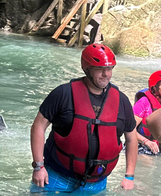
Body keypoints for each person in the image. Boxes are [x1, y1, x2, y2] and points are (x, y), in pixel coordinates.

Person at [30, 43, 137, 193]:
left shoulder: (122, 101)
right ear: (87, 68)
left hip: (97, 183)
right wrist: (39, 166)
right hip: (57, 176)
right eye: (100, 69)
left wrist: (129, 176)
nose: (106, 74)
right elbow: (38, 127)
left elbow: (131, 138)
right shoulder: (63, 94)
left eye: (109, 69)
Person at [134, 70, 161, 155]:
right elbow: (129, 130)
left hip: (156, 149)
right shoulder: (143, 102)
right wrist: (146, 142)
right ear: (154, 88)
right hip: (139, 147)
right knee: (150, 164)